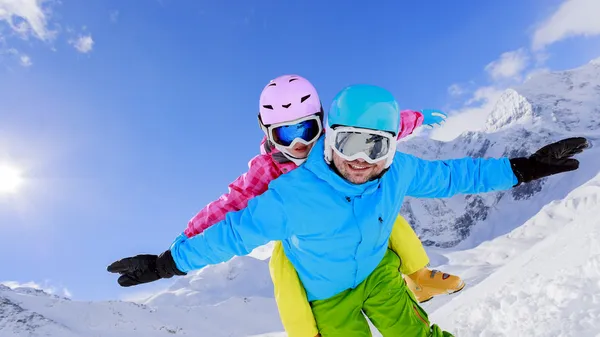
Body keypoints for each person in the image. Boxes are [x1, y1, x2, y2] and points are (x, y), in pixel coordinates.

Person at [108, 83, 588, 336]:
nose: (361, 159)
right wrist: (166, 263)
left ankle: (418, 287)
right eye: (350, 143)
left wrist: (523, 168)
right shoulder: (288, 194)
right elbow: (230, 230)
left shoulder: (397, 171)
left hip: (379, 273)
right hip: (326, 297)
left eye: (376, 146)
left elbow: (453, 176)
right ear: (330, 138)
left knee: (409, 331)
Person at [177, 74, 461, 336]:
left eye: (306, 128)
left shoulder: (338, 140)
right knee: (282, 268)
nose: (300, 142)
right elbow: (231, 203)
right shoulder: (267, 169)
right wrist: (188, 238)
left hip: (353, 214)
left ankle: (419, 276)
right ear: (267, 133)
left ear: (321, 121)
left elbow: (380, 129)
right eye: (285, 135)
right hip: (302, 238)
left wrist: (418, 118)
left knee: (385, 213)